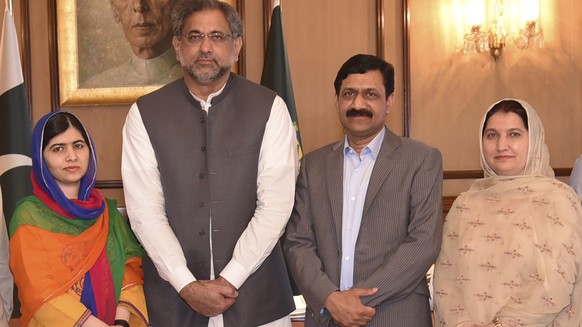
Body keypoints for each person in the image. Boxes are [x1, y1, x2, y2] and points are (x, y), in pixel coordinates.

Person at [121, 0, 298, 326]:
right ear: (177, 46)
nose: (205, 47)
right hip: (174, 303)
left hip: (257, 303)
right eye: (194, 36)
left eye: (217, 36)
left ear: (236, 46)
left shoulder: (270, 108)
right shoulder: (144, 114)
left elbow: (276, 205)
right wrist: (186, 284)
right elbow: (145, 212)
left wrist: (230, 278)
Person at [284, 54, 444, 326]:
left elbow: (423, 241)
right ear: (337, 100)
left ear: (389, 102)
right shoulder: (312, 165)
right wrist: (331, 299)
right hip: (326, 315)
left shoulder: (421, 159)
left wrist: (354, 303)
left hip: (395, 315)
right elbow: (297, 242)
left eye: (370, 94)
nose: (358, 104)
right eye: (349, 94)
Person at [434, 99, 582, 326]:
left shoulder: (557, 200)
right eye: (492, 135)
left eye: (514, 134)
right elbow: (446, 278)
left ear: (534, 140)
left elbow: (556, 281)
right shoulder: (465, 204)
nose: (501, 145)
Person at [9, 111, 148, 326]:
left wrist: (121, 322)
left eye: (79, 145)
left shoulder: (106, 213)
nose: (71, 156)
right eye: (58, 148)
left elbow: (130, 272)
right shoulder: (29, 216)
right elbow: (38, 289)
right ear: (40, 157)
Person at [83, 0, 182, 87]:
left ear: (176, 6)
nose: (139, 6)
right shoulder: (95, 87)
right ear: (114, 10)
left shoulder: (195, 83)